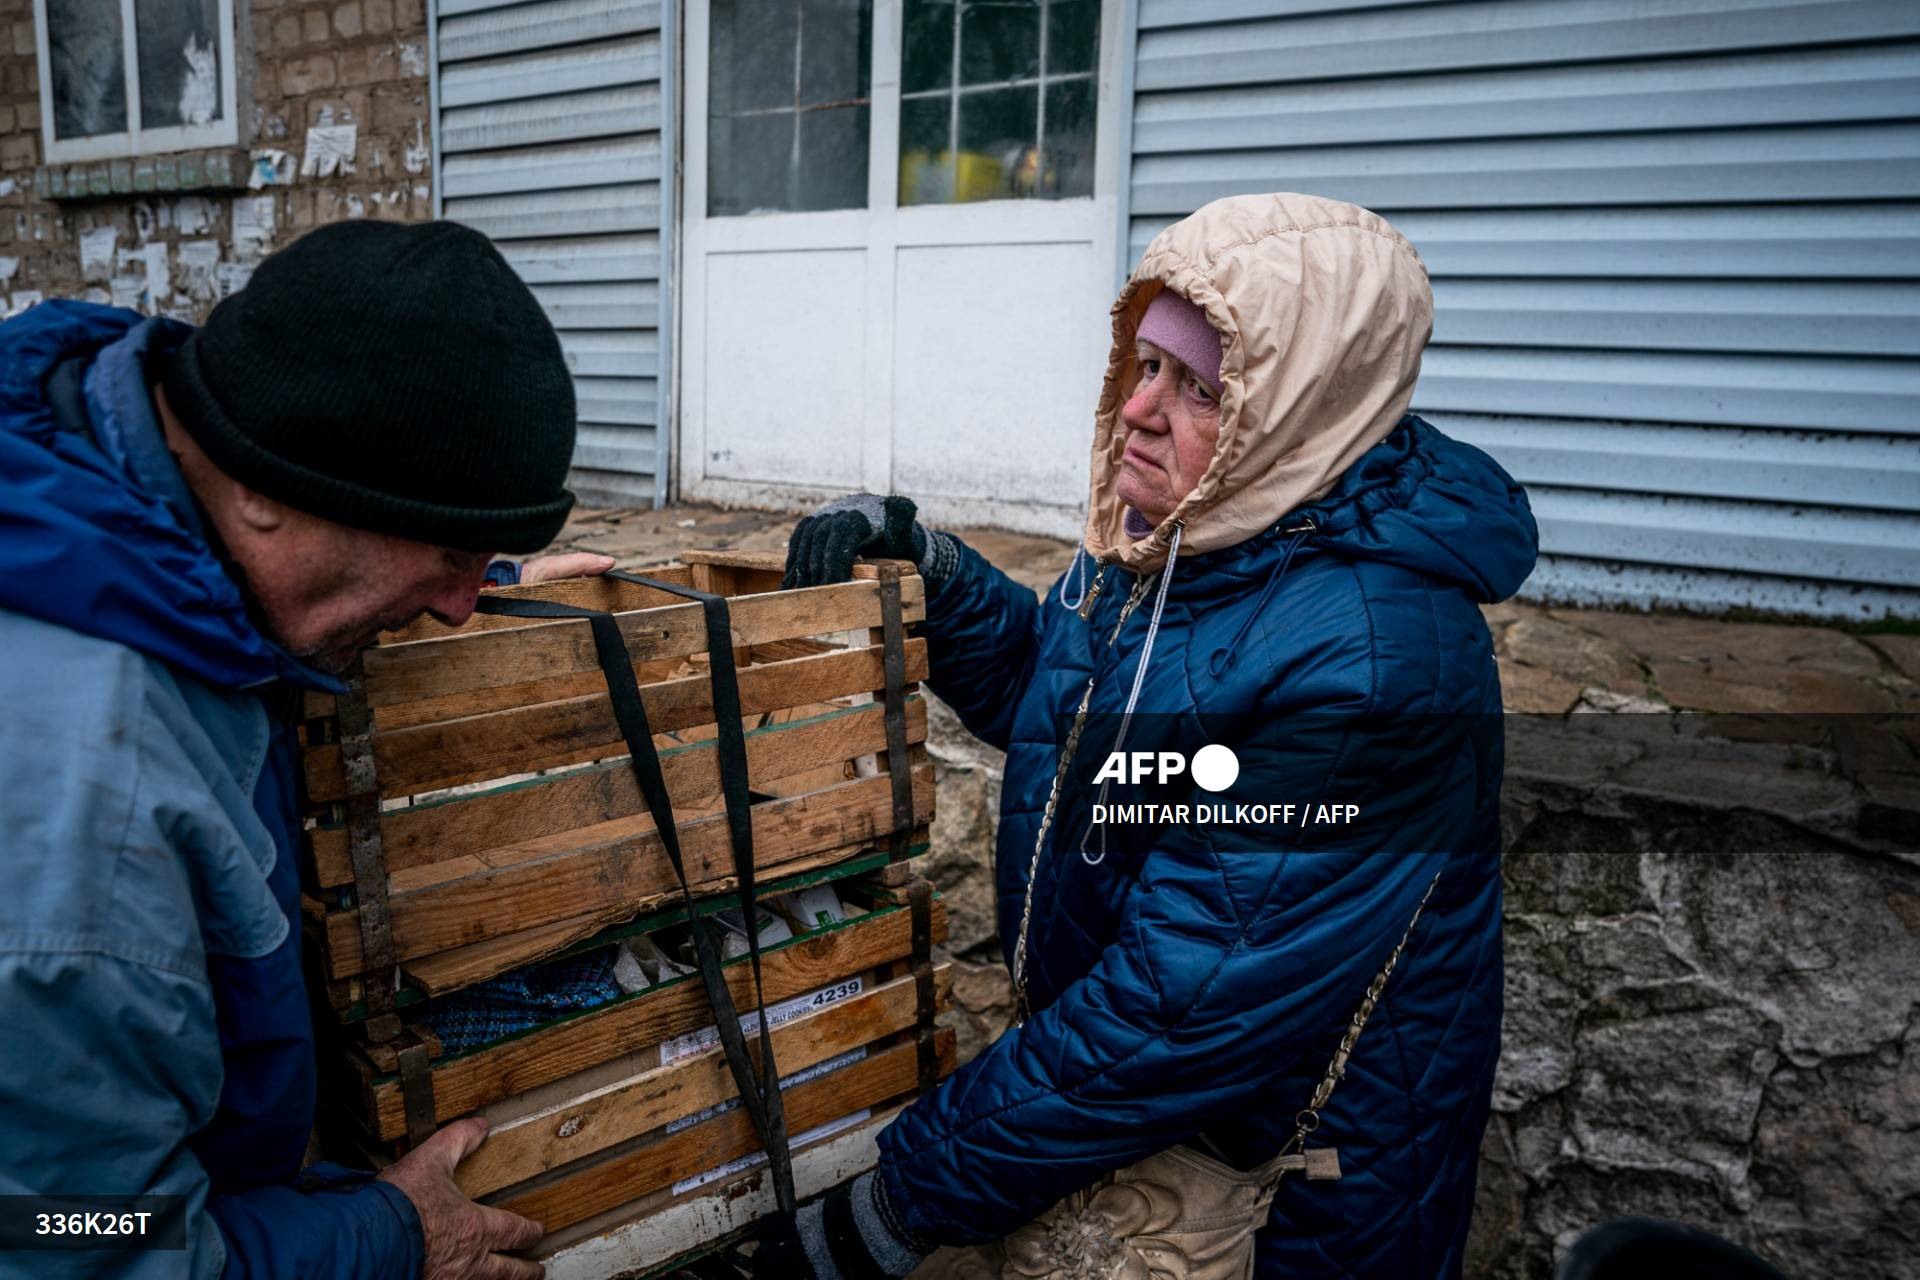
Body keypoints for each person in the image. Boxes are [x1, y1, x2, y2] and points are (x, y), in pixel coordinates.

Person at [768, 193, 1539, 1278]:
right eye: (1143, 365)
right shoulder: (1192, 536)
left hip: (1272, 1204)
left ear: (1302, 408)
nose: (1138, 407)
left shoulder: (1377, 664)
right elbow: (1074, 701)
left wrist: (899, 1201)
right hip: (1133, 1140)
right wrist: (934, 575)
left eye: (1197, 385)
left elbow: (1176, 1010)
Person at [0, 220, 604, 1279]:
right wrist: (394, 1235)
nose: (462, 607)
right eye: (452, 555)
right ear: (263, 491)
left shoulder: (112, 474)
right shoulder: (86, 846)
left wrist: (464, 586)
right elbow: (67, 1239)